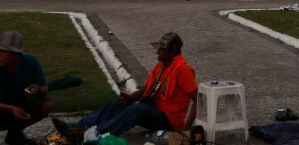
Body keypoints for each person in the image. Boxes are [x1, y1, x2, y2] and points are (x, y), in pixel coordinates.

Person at [54, 33, 197, 138]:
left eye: (162, 50)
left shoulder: (183, 70)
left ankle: (94, 133)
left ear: (172, 51)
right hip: (153, 111)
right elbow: (146, 90)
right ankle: (76, 127)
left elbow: (198, 99)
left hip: (169, 121)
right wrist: (128, 98)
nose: (157, 52)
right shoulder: (161, 65)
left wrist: (186, 127)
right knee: (116, 104)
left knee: (136, 109)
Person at [0, 31, 52, 145]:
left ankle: (14, 135)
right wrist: (11, 108)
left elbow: (44, 89)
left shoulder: (31, 61)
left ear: (15, 53)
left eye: (3, 51)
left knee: (46, 104)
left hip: (19, 105)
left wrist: (37, 89)